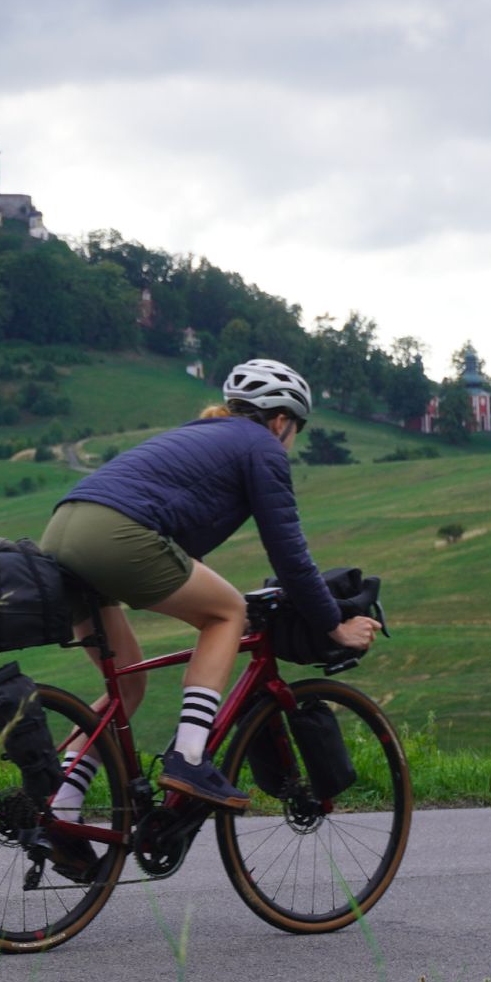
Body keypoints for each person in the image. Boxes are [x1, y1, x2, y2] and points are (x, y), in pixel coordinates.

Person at [36, 358, 380, 874]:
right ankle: (190, 759)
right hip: (114, 535)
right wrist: (334, 622)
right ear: (283, 421)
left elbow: (182, 539)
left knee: (125, 690)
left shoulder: (203, 436)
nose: (292, 440)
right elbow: (289, 552)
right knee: (228, 615)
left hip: (63, 532)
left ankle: (61, 804)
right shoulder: (261, 445)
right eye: (296, 430)